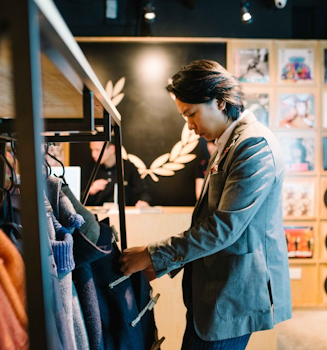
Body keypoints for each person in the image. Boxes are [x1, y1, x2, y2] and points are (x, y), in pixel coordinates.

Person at [119, 59, 292, 349]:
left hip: (232, 295)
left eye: (191, 114)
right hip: (216, 294)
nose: (189, 126)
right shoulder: (230, 142)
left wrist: (152, 256)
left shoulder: (253, 145)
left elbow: (223, 228)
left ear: (220, 103)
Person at [82, 138, 151, 208]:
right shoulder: (90, 168)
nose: (93, 154)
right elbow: (77, 199)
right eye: (92, 150)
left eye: (97, 150)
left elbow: (142, 191)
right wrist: (91, 190)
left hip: (123, 214)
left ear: (112, 149)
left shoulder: (128, 167)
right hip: (96, 215)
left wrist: (144, 201)